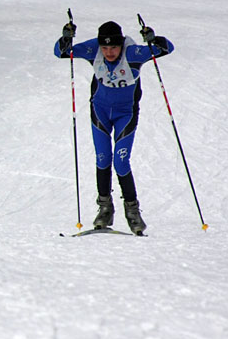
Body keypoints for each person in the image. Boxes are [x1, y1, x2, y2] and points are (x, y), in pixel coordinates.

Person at [54, 20, 174, 234]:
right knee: (102, 159)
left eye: (114, 47)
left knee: (120, 161)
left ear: (121, 45)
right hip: (100, 112)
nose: (109, 52)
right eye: (105, 47)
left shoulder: (134, 53)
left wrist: (153, 39)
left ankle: (133, 212)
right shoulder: (93, 49)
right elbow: (61, 52)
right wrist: (66, 37)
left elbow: (167, 48)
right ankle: (105, 209)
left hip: (125, 114)